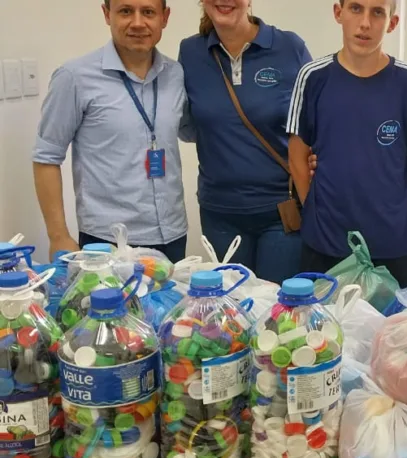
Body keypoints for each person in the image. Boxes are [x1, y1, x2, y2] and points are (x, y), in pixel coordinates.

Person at [32, 0, 188, 262]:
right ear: (107, 14)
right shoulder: (74, 77)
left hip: (172, 234)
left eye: (148, 12)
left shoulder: (176, 74)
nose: (137, 23)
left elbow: (192, 131)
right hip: (106, 241)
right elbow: (46, 157)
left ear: (164, 17)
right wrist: (58, 236)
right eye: (126, 11)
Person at [286, 0, 407, 287]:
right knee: (321, 318)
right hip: (326, 241)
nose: (365, 23)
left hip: (390, 244)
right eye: (356, 8)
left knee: (389, 319)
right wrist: (315, 210)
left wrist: (392, 211)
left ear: (392, 23)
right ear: (339, 13)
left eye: (377, 12)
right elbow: (297, 157)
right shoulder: (313, 76)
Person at [178, 0, 313, 283]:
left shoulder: (289, 48)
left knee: (277, 306)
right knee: (230, 306)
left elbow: (315, 121)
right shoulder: (190, 53)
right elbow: (189, 127)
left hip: (281, 213)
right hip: (220, 214)